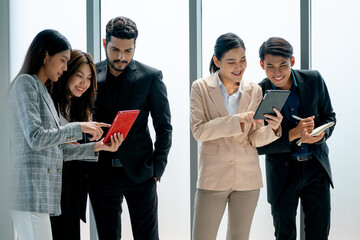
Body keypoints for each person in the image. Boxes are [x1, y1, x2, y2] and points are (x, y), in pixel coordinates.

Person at [8, 29, 122, 240]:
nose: (65, 68)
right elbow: (36, 138)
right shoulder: (26, 83)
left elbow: (53, 149)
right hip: (29, 191)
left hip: (40, 194)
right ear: (45, 56)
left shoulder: (41, 89)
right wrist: (78, 128)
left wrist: (98, 146)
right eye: (62, 60)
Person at [190, 32, 283, 240]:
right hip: (212, 178)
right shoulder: (201, 88)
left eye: (242, 60)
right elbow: (199, 131)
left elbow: (254, 137)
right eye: (231, 62)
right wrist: (236, 121)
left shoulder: (254, 90)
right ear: (217, 61)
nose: (238, 67)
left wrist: (273, 129)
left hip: (247, 179)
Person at [88, 16, 172, 240]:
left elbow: (164, 127)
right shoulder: (90, 75)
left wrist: (157, 170)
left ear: (135, 46)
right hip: (101, 174)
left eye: (128, 50)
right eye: (115, 50)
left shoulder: (151, 77)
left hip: (141, 173)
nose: (121, 57)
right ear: (105, 44)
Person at [257, 37, 336, 240]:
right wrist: (293, 134)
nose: (277, 72)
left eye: (283, 65)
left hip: (316, 169)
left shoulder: (314, 79)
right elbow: (257, 145)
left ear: (292, 61)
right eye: (270, 66)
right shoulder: (259, 92)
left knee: (319, 234)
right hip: (283, 173)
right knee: (284, 235)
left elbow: (330, 117)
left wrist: (319, 136)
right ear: (261, 65)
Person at [48, 49, 123, 239]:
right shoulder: (49, 101)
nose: (84, 83)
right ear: (67, 72)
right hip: (51, 182)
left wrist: (101, 146)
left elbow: (72, 150)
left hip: (72, 181)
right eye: (79, 76)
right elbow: (51, 147)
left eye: (89, 78)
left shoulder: (81, 106)